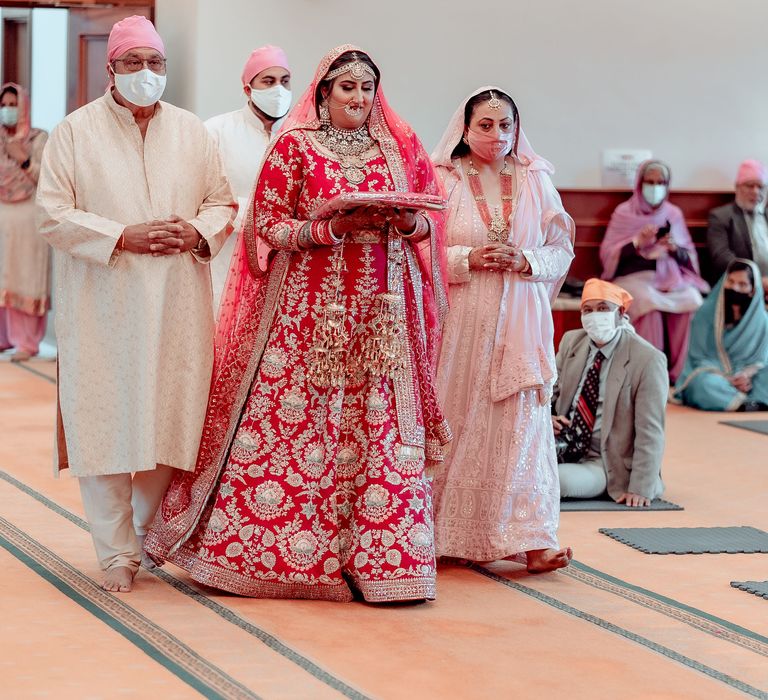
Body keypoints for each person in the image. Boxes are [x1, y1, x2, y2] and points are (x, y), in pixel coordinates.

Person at [145, 45, 450, 603]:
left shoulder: (399, 146)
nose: (358, 99)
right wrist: (328, 230)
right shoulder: (294, 146)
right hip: (308, 316)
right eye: (347, 88)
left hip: (380, 319)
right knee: (300, 422)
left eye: (366, 88)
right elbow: (267, 227)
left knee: (376, 425)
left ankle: (381, 564)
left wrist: (404, 220)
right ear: (324, 92)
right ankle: (281, 561)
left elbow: (430, 228)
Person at [36, 16, 236, 593]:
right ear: (110, 69)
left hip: (177, 301)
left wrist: (196, 231)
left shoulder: (193, 131)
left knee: (170, 422)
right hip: (103, 303)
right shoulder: (74, 132)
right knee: (104, 424)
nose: (146, 75)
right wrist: (123, 236)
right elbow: (52, 212)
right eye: (133, 64)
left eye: (156, 64)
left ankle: (144, 536)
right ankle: (114, 553)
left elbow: (222, 202)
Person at [430, 87, 573, 572]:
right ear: (465, 130)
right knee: (455, 413)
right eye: (485, 125)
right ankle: (441, 534)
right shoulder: (441, 179)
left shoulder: (535, 179)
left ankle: (532, 539)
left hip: (520, 319)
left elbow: (561, 250)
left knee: (521, 424)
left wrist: (528, 259)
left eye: (505, 125)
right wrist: (465, 258)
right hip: (462, 318)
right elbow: (418, 252)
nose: (497, 135)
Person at [553, 279, 667, 506]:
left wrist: (640, 487)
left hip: (603, 462)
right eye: (588, 310)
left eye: (603, 309)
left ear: (620, 313)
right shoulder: (572, 342)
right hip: (563, 445)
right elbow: (548, 395)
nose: (595, 315)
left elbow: (650, 430)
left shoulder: (647, 359)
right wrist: (547, 418)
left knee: (553, 481)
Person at [600, 160, 708, 382]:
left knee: (692, 300)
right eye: (650, 182)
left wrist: (673, 247)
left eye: (661, 182)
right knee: (648, 306)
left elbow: (689, 257)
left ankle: (682, 375)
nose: (655, 187)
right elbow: (608, 256)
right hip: (633, 278)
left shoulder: (673, 213)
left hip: (669, 279)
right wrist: (637, 242)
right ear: (640, 183)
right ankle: (649, 376)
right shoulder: (624, 212)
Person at [205, 45, 291, 310]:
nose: (278, 89)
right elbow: (201, 195)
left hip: (284, 258)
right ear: (248, 89)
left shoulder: (295, 135)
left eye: (284, 81)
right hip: (227, 258)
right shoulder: (215, 131)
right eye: (268, 81)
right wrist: (255, 218)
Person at [674, 259, 768, 412]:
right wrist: (728, 379)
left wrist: (746, 375)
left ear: (752, 290)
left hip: (749, 378)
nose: (735, 288)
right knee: (701, 384)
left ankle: (748, 402)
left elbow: (762, 360)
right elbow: (698, 356)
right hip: (714, 376)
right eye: (730, 282)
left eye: (742, 284)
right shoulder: (705, 314)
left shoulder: (762, 319)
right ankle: (746, 404)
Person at [0, 83, 49, 361]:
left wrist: (24, 160)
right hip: (3, 217)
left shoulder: (38, 138)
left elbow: (48, 179)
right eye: (4, 105)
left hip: (29, 219)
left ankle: (26, 342)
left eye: (13, 105)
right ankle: (4, 338)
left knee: (25, 276)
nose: (7, 110)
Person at [706, 160, 768, 293]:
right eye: (750, 186)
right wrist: (755, 279)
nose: (756, 192)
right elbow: (721, 256)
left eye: (761, 186)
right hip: (740, 286)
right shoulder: (720, 216)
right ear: (737, 187)